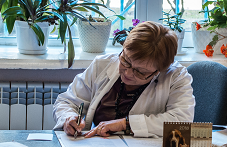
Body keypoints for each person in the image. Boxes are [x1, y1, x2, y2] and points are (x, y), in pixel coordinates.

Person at [53, 21, 195, 137]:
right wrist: (69, 117)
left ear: (159, 71)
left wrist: (125, 124)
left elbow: (182, 120)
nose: (127, 73)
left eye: (140, 72)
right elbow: (67, 101)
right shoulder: (102, 64)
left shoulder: (177, 77)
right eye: (125, 61)